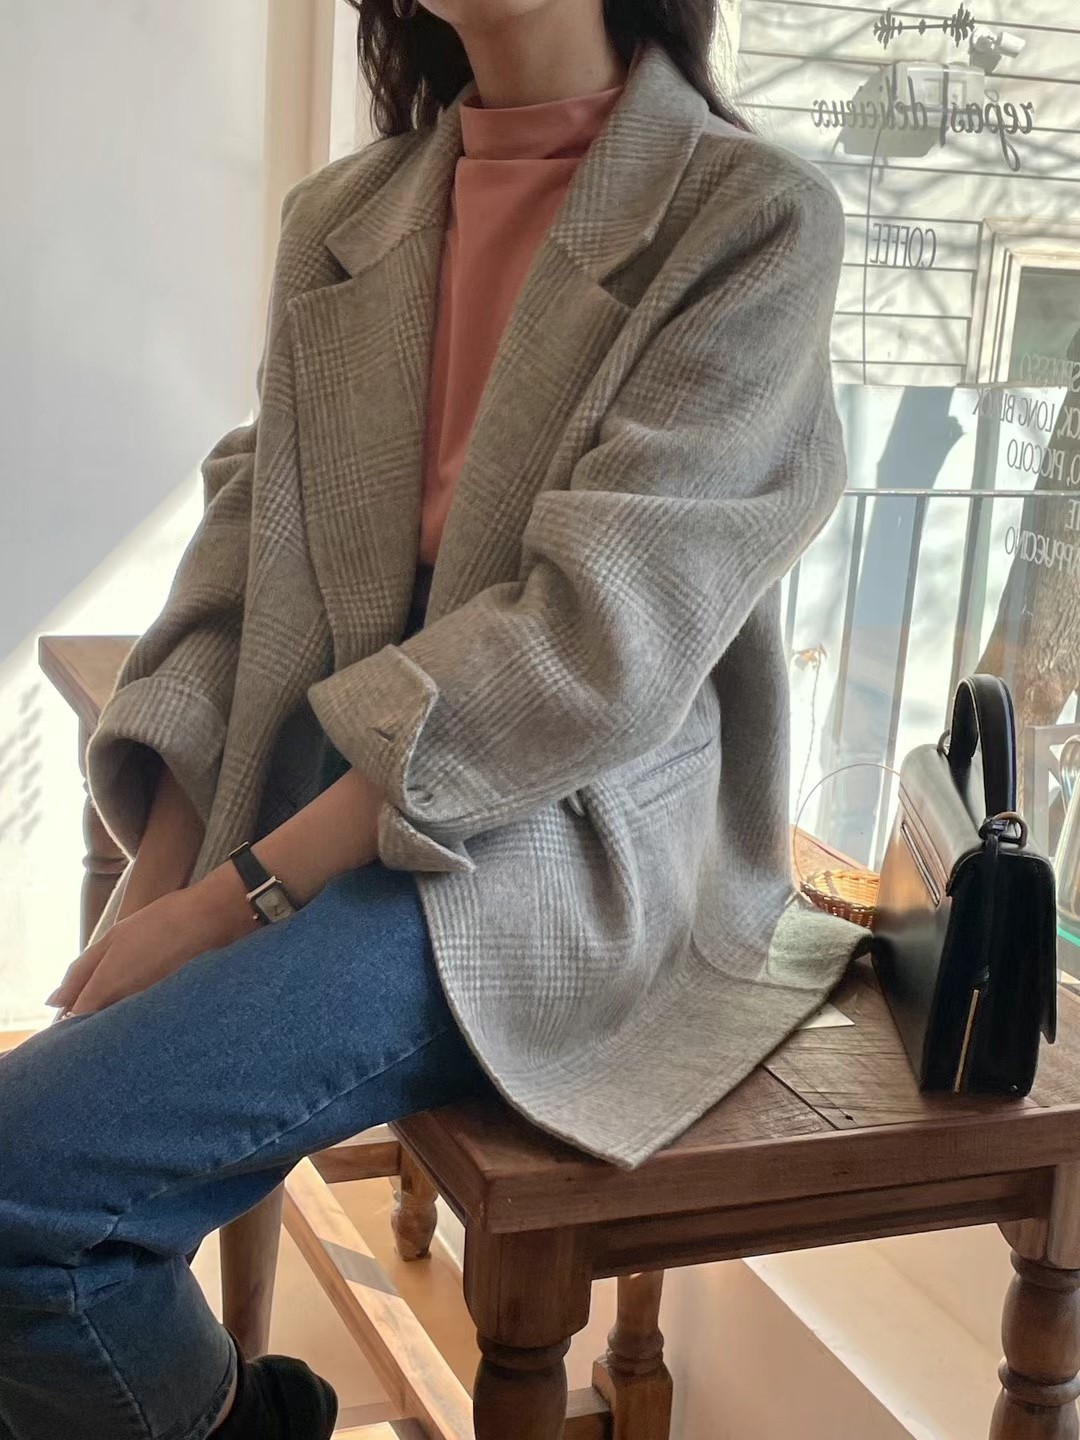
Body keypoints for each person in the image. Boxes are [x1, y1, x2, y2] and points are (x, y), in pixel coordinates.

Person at [0, 0, 866, 1434]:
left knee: (23, 1201)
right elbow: (245, 564)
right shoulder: (344, 217)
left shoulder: (749, 218)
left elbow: (596, 642)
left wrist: (230, 901)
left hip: (556, 840)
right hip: (326, 784)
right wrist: (156, 888)